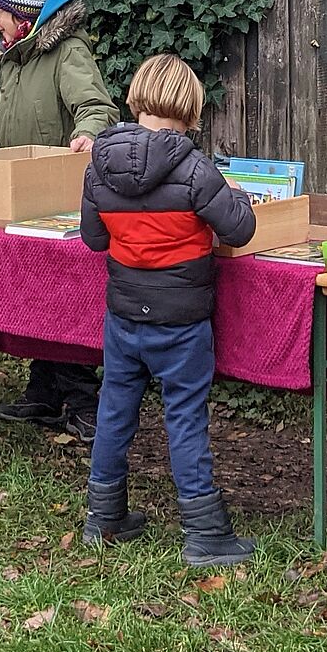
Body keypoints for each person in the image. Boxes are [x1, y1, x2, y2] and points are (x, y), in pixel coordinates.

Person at [78, 54, 257, 566]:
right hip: (181, 320)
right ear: (192, 109)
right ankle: (205, 532)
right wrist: (238, 198)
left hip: (124, 313)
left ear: (135, 100)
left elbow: (94, 239)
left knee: (114, 411)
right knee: (184, 418)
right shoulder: (197, 169)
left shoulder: (100, 166)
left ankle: (103, 516)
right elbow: (239, 230)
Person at [0, 0, 118, 439]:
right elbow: (19, 121)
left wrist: (86, 134)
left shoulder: (67, 51)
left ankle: (83, 403)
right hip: (19, 193)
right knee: (31, 295)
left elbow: (97, 108)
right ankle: (43, 391)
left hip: (60, 198)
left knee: (61, 299)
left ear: (22, 16)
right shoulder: (12, 58)